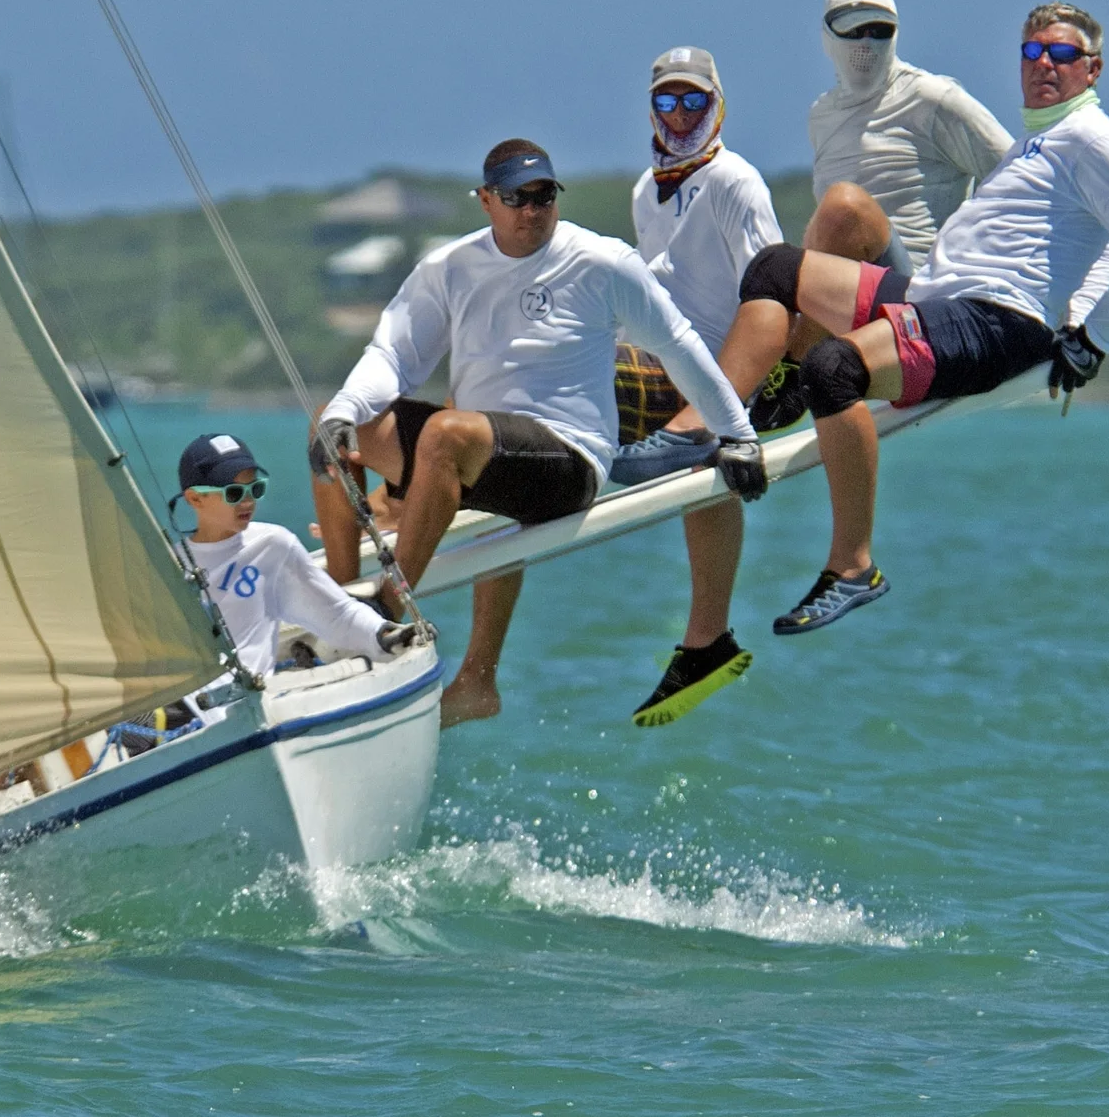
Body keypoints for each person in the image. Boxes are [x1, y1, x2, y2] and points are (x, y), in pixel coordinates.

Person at [722, 2, 1109, 633]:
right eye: (1033, 52)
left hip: (994, 321)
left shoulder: (1092, 138)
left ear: (1092, 69)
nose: (1045, 63)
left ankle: (852, 566)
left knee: (834, 368)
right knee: (778, 269)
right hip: (937, 299)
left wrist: (1092, 339)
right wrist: (1081, 315)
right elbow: (1102, 242)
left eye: (1064, 54)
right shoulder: (1037, 145)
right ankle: (734, 420)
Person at [310, 139, 764, 728]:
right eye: (515, 197)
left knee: (448, 434)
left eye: (543, 195)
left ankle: (387, 611)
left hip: (569, 459)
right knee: (332, 423)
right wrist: (348, 407)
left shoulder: (601, 261)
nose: (531, 209)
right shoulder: (450, 269)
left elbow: (678, 344)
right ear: (485, 201)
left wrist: (738, 435)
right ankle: (341, 611)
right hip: (479, 450)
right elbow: (392, 354)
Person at [607, 47, 783, 726]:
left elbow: (772, 291)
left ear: (718, 107)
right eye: (666, 102)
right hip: (665, 366)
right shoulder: (642, 190)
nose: (680, 116)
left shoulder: (735, 182)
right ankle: (706, 640)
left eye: (694, 102)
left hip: (710, 372)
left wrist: (730, 404)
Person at [752, 0, 1013, 432]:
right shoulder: (822, 115)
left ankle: (791, 371)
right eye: (853, 31)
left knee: (844, 207)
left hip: (920, 293)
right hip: (854, 300)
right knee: (765, 265)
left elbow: (1022, 183)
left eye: (879, 30)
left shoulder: (934, 98)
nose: (866, 43)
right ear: (827, 38)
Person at [176, 432, 408, 679]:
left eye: (255, 489)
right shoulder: (168, 564)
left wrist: (383, 634)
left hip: (248, 703)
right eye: (234, 493)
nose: (247, 501)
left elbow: (336, 613)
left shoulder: (273, 545)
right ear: (195, 499)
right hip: (184, 705)